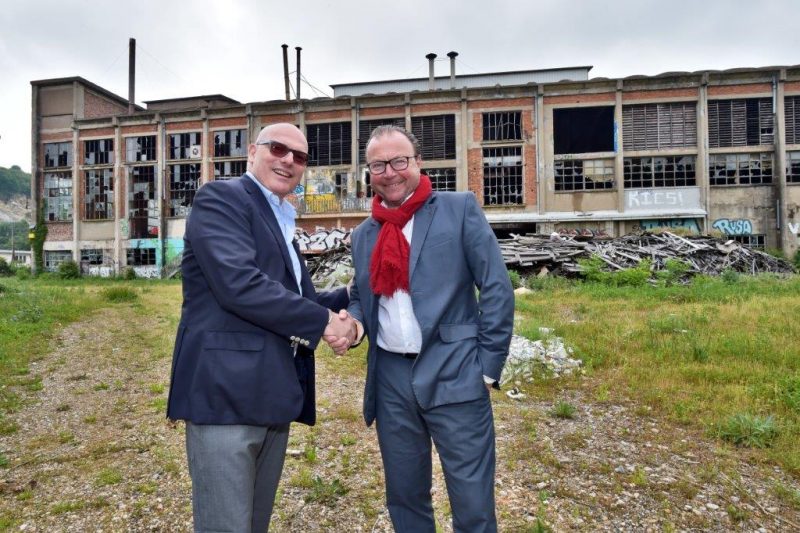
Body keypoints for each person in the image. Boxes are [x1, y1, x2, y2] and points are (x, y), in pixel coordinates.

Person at [166, 122, 357, 532]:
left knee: (253, 523)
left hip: (270, 394)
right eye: (278, 148)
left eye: (300, 156)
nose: (288, 160)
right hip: (225, 397)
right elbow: (240, 286)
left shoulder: (280, 218)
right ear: (252, 151)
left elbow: (298, 300)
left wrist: (353, 296)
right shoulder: (222, 198)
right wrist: (325, 322)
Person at [347, 125, 514, 532]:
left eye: (399, 161)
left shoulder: (458, 209)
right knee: (404, 499)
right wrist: (353, 324)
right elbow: (363, 295)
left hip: (456, 369)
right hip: (390, 379)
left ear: (418, 162)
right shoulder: (363, 235)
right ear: (369, 172)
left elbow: (495, 287)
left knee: (472, 502)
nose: (390, 172)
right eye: (379, 164)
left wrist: (487, 367)